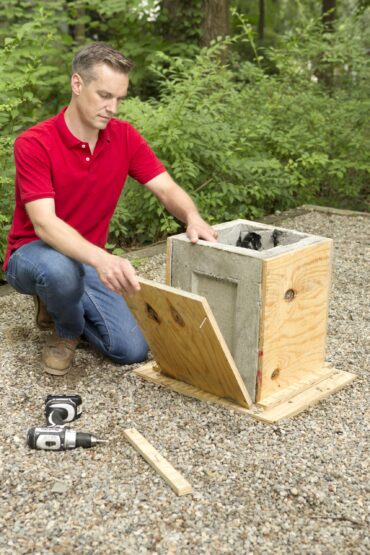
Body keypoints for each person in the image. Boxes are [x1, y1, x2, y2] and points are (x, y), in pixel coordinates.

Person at [3, 42, 217, 376]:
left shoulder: (124, 137)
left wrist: (192, 216)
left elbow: (166, 188)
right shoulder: (35, 142)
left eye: (119, 98)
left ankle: (58, 302)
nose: (113, 108)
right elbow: (43, 223)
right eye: (104, 95)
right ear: (77, 84)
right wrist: (103, 259)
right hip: (32, 254)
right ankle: (66, 331)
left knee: (131, 349)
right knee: (59, 271)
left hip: (85, 259)